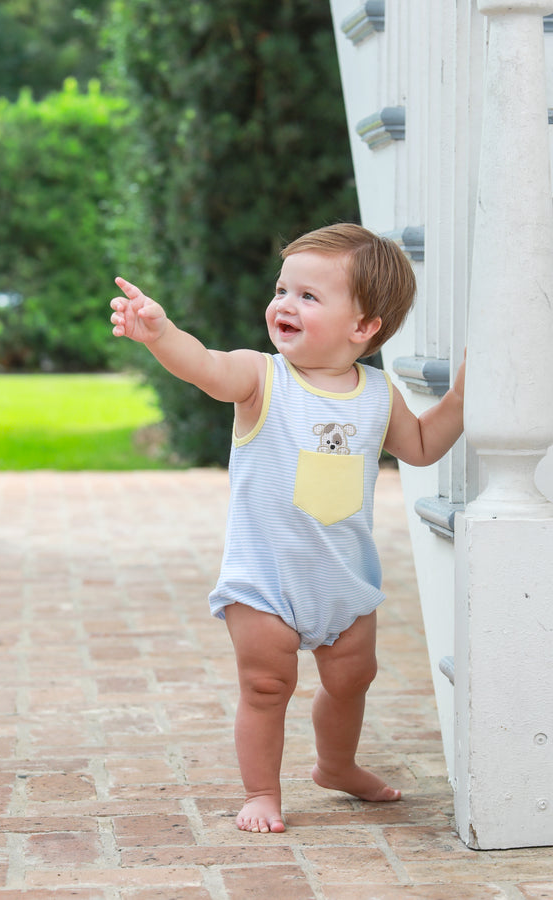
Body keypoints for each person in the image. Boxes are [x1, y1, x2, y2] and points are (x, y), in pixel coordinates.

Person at [110, 222, 465, 835]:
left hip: (344, 582)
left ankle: (336, 765)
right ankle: (262, 792)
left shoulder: (378, 394)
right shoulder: (261, 377)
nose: (284, 304)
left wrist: (460, 399)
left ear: (364, 327)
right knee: (266, 686)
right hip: (264, 582)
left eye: (308, 296)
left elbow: (423, 445)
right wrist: (161, 334)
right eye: (282, 290)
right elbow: (205, 366)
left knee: (352, 679)